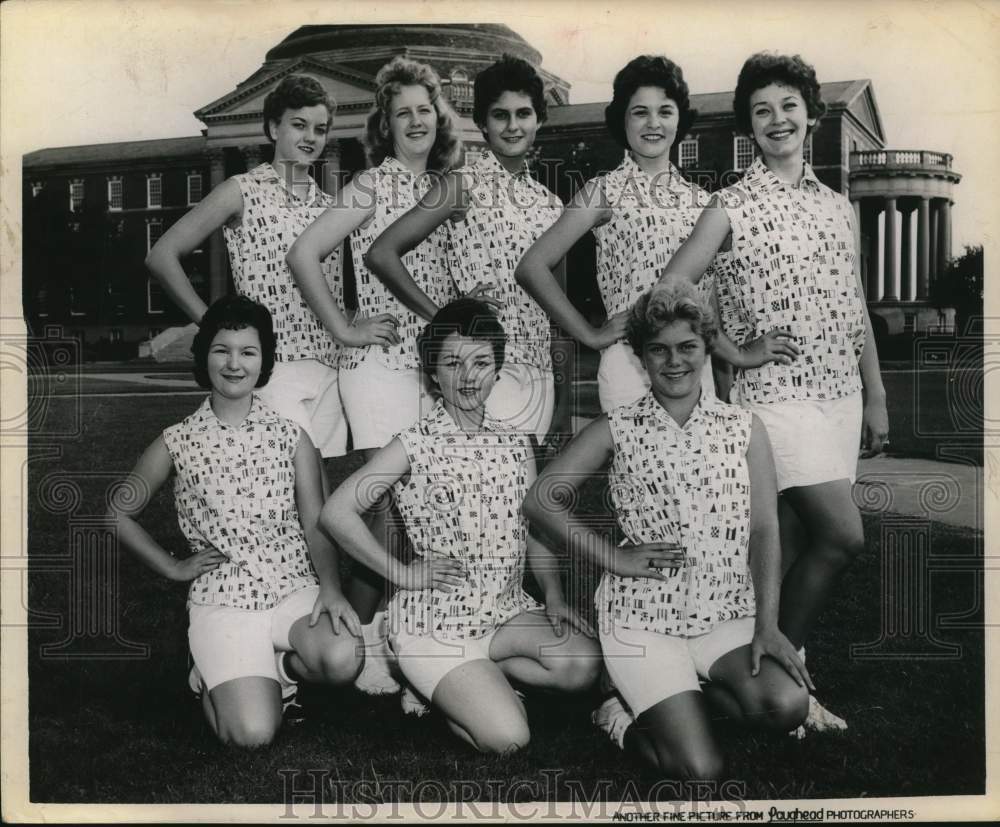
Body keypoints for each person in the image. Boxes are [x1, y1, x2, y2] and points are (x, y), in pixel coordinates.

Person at [656, 52, 889, 733]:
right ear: (749, 129)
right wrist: (732, 348)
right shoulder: (732, 205)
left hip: (839, 395)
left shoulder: (836, 206)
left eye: (788, 105)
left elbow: (855, 307)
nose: (777, 119)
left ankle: (763, 679)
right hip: (773, 398)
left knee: (786, 541)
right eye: (762, 111)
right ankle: (780, 668)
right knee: (843, 536)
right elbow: (672, 288)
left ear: (810, 115)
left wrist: (874, 390)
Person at [524, 282, 810, 779]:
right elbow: (540, 500)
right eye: (658, 350)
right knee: (698, 768)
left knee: (787, 707)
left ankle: (691, 697)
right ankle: (617, 716)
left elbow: (765, 528)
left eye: (687, 347)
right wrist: (614, 558)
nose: (673, 362)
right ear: (640, 355)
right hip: (644, 618)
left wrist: (768, 624)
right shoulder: (617, 426)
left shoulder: (743, 427)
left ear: (706, 348)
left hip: (724, 612)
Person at [322, 299, 602, 753]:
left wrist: (551, 595)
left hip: (502, 612)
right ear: (432, 372)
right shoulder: (412, 445)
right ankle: (445, 685)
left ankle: (468, 683)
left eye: (481, 362)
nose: (468, 376)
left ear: (497, 369)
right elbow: (336, 513)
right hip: (436, 621)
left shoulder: (516, 443)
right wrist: (404, 575)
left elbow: (534, 529)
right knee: (509, 738)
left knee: (581, 665)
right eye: (452, 363)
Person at [107, 296, 367, 748]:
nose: (234, 363)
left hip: (290, 585)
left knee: (343, 658)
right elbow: (117, 512)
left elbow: (314, 521)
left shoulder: (292, 436)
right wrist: (173, 567)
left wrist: (329, 587)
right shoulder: (177, 440)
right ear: (204, 354)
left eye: (248, 352)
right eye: (221, 349)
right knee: (251, 734)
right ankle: (206, 673)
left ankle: (281, 673)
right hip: (224, 597)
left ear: (264, 361)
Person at [287, 56, 462, 623]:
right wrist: (344, 327)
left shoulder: (443, 186)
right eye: (402, 113)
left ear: (439, 118)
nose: (416, 122)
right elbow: (303, 254)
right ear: (385, 125)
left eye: (424, 111)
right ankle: (379, 642)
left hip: (436, 367)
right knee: (384, 505)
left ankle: (413, 633)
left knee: (431, 502)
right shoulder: (371, 185)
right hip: (381, 365)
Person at [146, 74, 396, 470]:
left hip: (328, 365)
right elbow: (162, 255)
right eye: (299, 124)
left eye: (320, 129)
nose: (311, 137)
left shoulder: (330, 204)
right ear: (272, 127)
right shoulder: (241, 190)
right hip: (272, 368)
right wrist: (214, 324)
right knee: (282, 487)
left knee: (319, 491)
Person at [515, 55, 744, 412]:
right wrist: (590, 335)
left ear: (679, 119)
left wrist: (725, 383)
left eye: (665, 111)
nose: (653, 123)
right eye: (640, 112)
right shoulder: (603, 191)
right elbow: (532, 266)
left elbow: (709, 299)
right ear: (623, 119)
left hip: (694, 369)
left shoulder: (704, 202)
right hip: (628, 370)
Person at [364, 54, 567, 444]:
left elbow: (557, 312)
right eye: (499, 115)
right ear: (482, 124)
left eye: (523, 113)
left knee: (524, 494)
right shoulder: (461, 185)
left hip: (540, 375)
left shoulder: (550, 204)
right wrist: (443, 316)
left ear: (539, 119)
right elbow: (382, 253)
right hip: (483, 368)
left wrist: (561, 401)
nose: (512, 126)